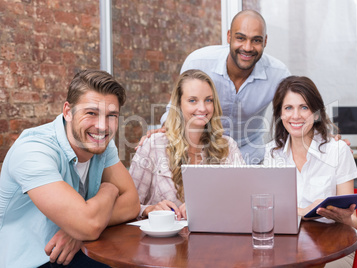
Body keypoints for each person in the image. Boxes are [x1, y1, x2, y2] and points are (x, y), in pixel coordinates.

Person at [0, 70, 140, 267]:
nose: (102, 126)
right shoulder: (33, 151)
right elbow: (89, 225)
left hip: (76, 252)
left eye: (111, 115)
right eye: (91, 113)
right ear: (68, 111)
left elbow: (132, 203)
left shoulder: (101, 143)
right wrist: (110, 189)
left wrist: (77, 232)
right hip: (33, 261)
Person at [144, 10, 290, 165]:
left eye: (256, 40)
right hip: (201, 153)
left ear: (265, 41)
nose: (247, 47)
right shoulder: (199, 62)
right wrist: (161, 136)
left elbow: (293, 114)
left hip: (251, 156)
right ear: (229, 36)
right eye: (240, 38)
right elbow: (175, 109)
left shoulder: (278, 74)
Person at [263, 76, 357, 267]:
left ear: (316, 114)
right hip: (286, 246)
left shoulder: (337, 150)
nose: (295, 116)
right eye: (288, 108)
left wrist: (344, 218)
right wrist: (303, 212)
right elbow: (265, 212)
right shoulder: (271, 153)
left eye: (304, 107)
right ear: (280, 114)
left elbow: (354, 222)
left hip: (333, 246)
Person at [129, 69, 245, 220]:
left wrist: (205, 206)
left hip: (213, 239)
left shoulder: (228, 147)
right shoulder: (154, 145)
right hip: (164, 240)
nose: (202, 108)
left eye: (208, 100)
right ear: (178, 104)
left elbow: (243, 201)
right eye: (193, 100)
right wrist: (149, 209)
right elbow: (128, 205)